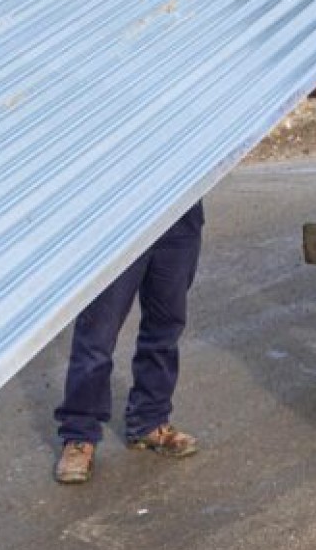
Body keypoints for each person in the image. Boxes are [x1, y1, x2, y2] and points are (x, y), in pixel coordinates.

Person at [50, 205, 206, 484]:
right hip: (119, 218)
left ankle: (150, 420)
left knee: (165, 327)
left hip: (180, 214)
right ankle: (79, 435)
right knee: (98, 335)